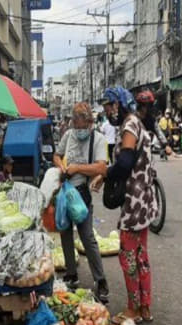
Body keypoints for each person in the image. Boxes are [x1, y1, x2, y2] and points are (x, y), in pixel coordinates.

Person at [98, 87, 158, 324]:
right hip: (144, 199)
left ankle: (133, 308)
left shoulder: (130, 125)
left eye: (110, 105)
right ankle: (145, 307)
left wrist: (104, 173)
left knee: (128, 257)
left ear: (120, 104)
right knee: (141, 256)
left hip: (134, 202)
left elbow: (124, 164)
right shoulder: (137, 123)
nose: (108, 111)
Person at [53, 102, 109, 303]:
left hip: (81, 194)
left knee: (87, 237)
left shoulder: (98, 139)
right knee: (65, 233)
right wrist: (61, 165)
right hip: (65, 191)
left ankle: (101, 282)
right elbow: (57, 155)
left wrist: (77, 167)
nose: (78, 130)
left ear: (89, 122)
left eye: (81, 126)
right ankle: (71, 274)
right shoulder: (68, 136)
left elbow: (101, 168)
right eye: (75, 126)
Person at [135, 90, 173, 158]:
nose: (150, 109)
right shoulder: (133, 118)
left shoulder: (151, 120)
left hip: (145, 151)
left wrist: (166, 145)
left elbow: (158, 131)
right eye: (148, 106)